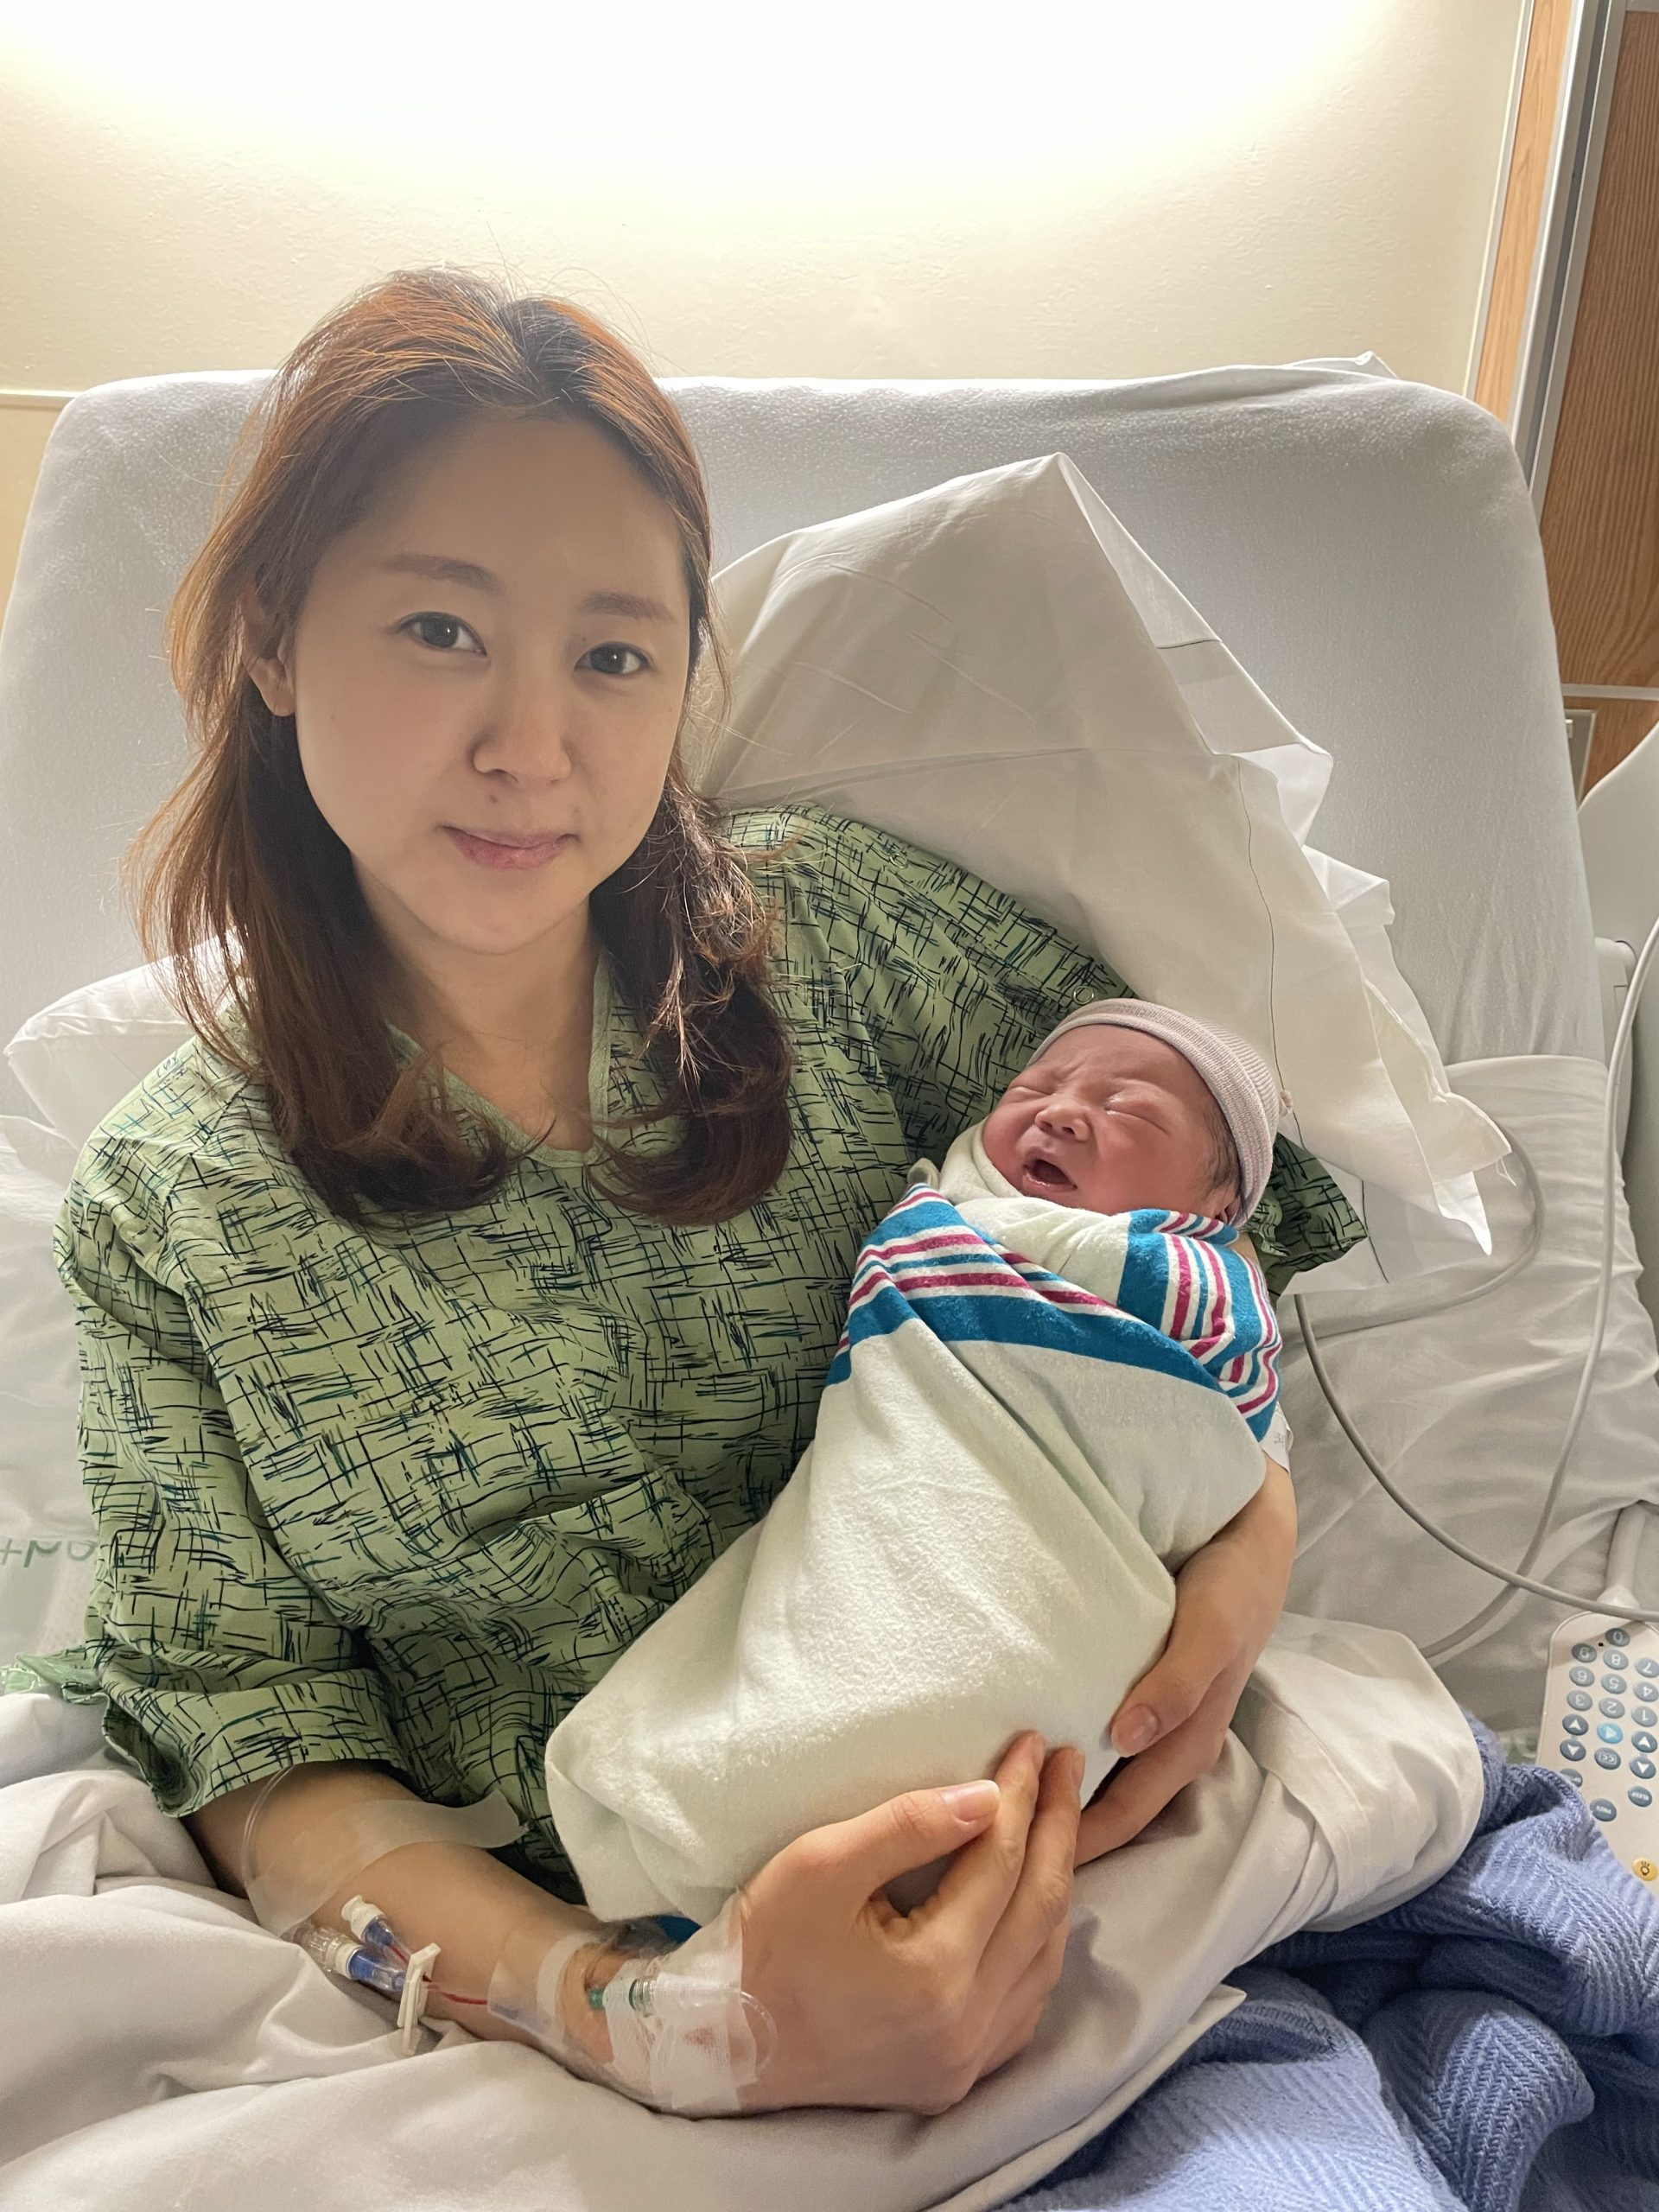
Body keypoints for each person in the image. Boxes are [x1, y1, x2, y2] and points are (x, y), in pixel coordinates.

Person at [3, 265, 1366, 2115]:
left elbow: (1215, 1180)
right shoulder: (174, 1210)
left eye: (615, 656)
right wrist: (659, 2023)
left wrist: (1250, 1531)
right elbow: (258, 1760)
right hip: (562, 2027)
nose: (531, 747)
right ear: (273, 639)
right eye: (438, 628)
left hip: (1098, 1902)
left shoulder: (839, 936)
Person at [543, 1000, 1302, 1928]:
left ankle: (765, 1849)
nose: (1062, 1112)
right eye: (1034, 1087)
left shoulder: (1196, 1280)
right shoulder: (953, 1213)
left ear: (1216, 1212)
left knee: (963, 1710)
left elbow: (1229, 1388)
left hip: (1060, 1569)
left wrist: (1262, 1525)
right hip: (892, 1491)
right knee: (810, 1661)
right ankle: (739, 1842)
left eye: (1130, 1112)